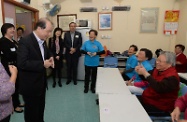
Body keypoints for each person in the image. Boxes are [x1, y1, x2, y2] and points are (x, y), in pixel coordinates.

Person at [17, 18, 54, 122]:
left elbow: (45, 52)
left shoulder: (42, 40)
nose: (49, 34)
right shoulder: (25, 41)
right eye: (48, 31)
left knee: (40, 110)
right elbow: (22, 63)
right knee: (31, 113)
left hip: (41, 83)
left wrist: (50, 57)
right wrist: (42, 64)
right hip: (30, 85)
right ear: (39, 28)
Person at [0, 23, 23, 113]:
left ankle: (16, 102)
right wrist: (19, 53)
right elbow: (8, 55)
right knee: (11, 86)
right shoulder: (2, 41)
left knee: (16, 86)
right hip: (8, 67)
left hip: (15, 66)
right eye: (11, 28)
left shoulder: (12, 41)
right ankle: (14, 105)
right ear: (5, 30)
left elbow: (17, 52)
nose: (13, 30)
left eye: (13, 28)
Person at [81, 29, 105, 93]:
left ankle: (92, 88)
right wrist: (87, 52)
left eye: (92, 34)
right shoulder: (86, 43)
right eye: (90, 34)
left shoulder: (98, 43)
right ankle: (86, 88)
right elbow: (81, 50)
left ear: (95, 36)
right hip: (87, 62)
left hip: (95, 63)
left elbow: (103, 51)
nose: (91, 35)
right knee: (87, 76)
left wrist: (96, 53)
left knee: (94, 76)